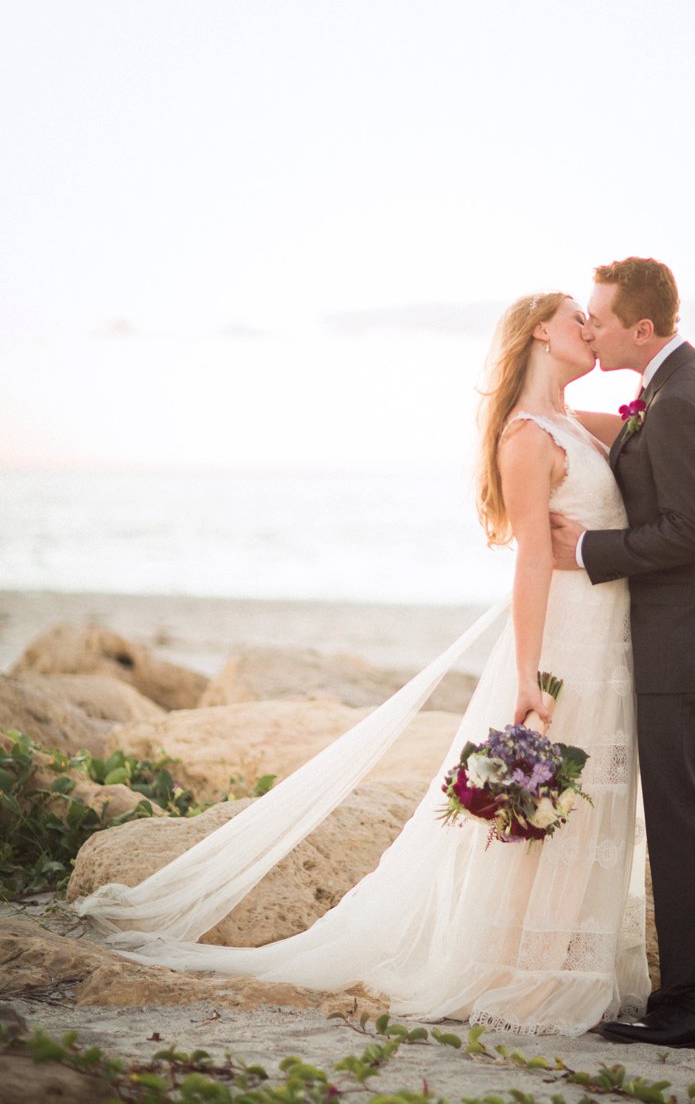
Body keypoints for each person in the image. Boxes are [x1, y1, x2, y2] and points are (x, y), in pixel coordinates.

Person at [71, 291, 650, 1036]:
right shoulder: (527, 438)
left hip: (608, 639)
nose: (588, 328)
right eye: (577, 316)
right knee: (542, 814)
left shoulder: (579, 425)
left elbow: (651, 429)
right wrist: (530, 676)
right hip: (566, 641)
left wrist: (650, 375)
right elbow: (532, 561)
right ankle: (524, 981)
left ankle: (563, 969)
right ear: (540, 330)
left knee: (589, 808)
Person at [551, 257, 695, 1051]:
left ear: (642, 328)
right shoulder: (675, 389)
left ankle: (693, 1006)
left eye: (601, 320)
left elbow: (691, 531)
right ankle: (694, 996)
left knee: (687, 825)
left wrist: (588, 550)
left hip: (692, 643)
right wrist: (546, 416)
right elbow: (636, 448)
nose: (592, 330)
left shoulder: (682, 400)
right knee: (694, 820)